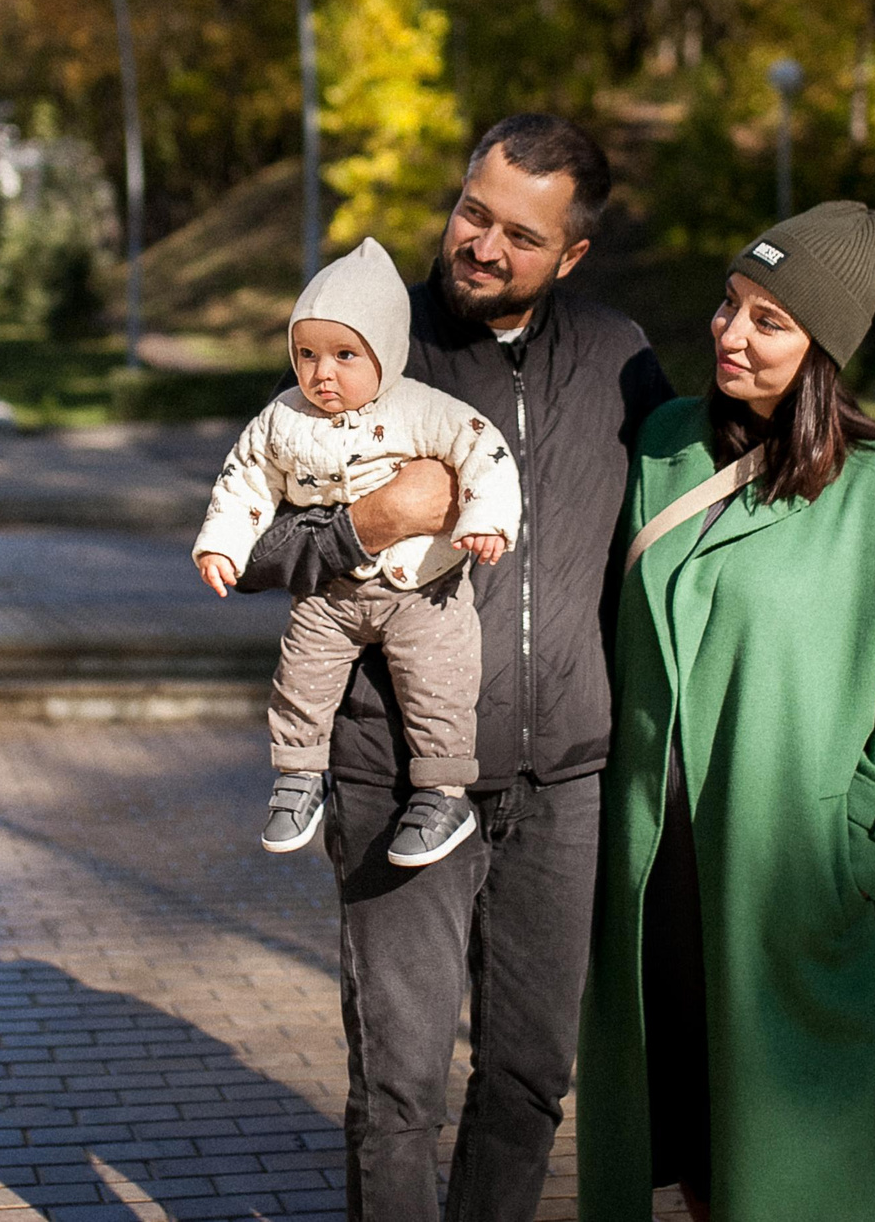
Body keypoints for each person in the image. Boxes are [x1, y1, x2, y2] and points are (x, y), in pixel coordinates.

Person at [236, 114, 675, 1221]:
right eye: (474, 212)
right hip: (396, 774)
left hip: (562, 784)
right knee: (398, 1092)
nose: (482, 244)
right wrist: (368, 521)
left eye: (520, 236)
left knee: (528, 1081)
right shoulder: (367, 345)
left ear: (571, 255)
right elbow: (249, 548)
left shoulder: (619, 358)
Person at [577, 201, 875, 1221]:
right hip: (653, 868)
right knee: (687, 1115)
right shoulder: (664, 445)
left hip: (788, 877)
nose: (731, 332)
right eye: (730, 304)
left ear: (822, 350)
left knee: (789, 1149)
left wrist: (862, 853)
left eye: (770, 320)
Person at [194, 237, 523, 868]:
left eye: (345, 355)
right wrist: (222, 545)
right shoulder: (281, 419)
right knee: (300, 677)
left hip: (421, 589)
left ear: (386, 353)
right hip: (331, 591)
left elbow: (486, 451)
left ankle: (443, 792)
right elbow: (245, 481)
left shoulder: (422, 409)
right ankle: (298, 775)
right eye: (307, 354)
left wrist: (485, 520)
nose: (323, 373)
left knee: (439, 683)